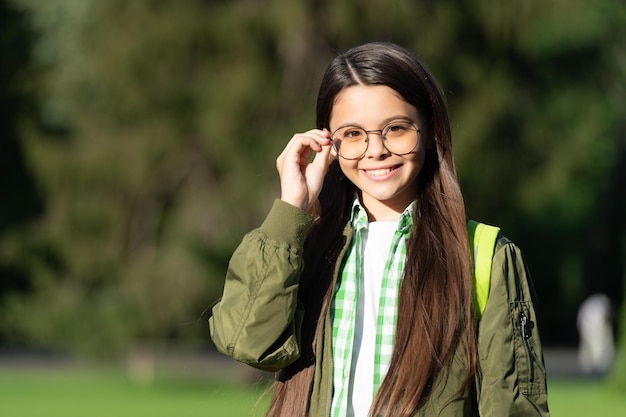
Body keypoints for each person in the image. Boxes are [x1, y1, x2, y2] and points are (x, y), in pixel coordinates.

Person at [209, 42, 549, 417]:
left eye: (396, 129)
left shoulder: (484, 254)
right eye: (353, 134)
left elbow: (513, 408)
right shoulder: (301, 245)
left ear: (430, 129)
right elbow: (247, 343)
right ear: (329, 144)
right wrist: (292, 208)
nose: (376, 150)